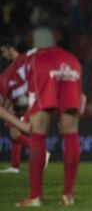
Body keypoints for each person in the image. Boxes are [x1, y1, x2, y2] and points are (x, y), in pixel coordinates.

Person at [0, 38, 82, 207]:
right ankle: (68, 196)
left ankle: (35, 196)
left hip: (42, 64)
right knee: (70, 132)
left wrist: (22, 125)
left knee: (38, 132)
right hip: (70, 61)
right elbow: (83, 98)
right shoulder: (19, 67)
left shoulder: (4, 78)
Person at [0, 37, 51, 174]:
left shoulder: (22, 60)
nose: (3, 55)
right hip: (22, 100)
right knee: (13, 131)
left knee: (14, 133)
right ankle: (15, 166)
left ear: (10, 48)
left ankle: (42, 152)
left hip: (26, 101)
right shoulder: (16, 63)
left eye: (3, 51)